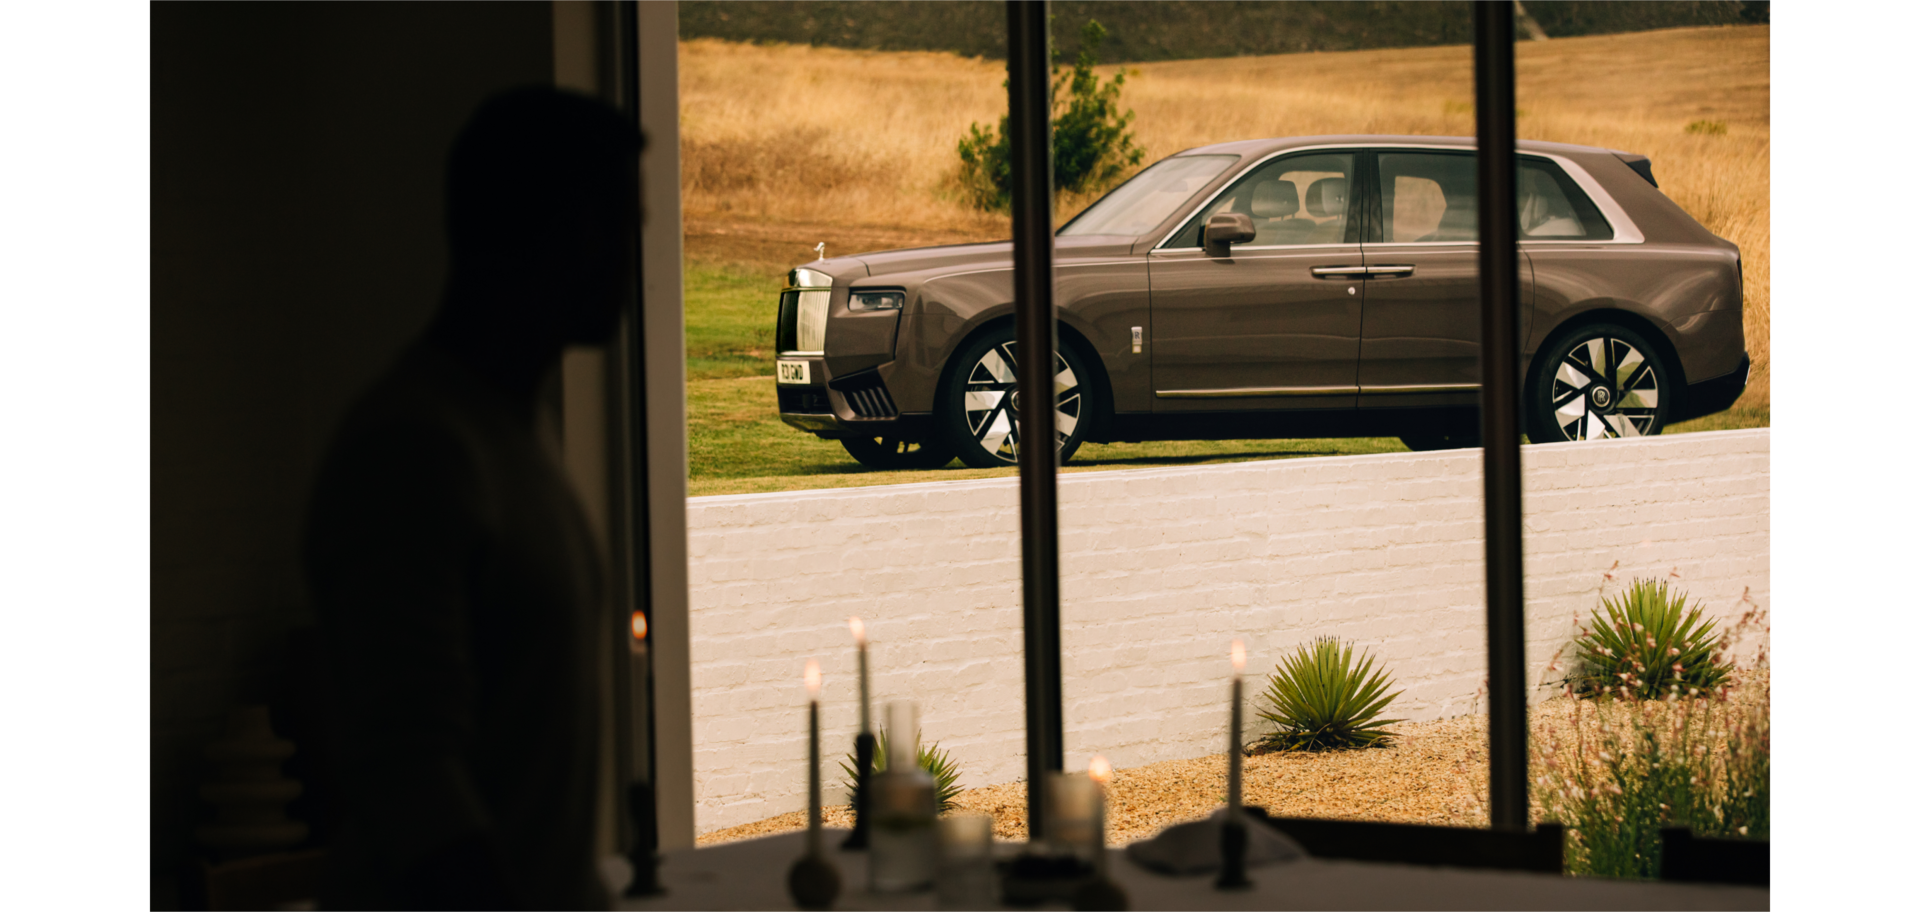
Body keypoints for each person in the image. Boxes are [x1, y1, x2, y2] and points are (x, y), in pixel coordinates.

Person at [303, 87, 642, 911]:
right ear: (564, 232)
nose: (636, 254)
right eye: (623, 221)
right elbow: (410, 776)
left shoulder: (518, 431)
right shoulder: (415, 450)